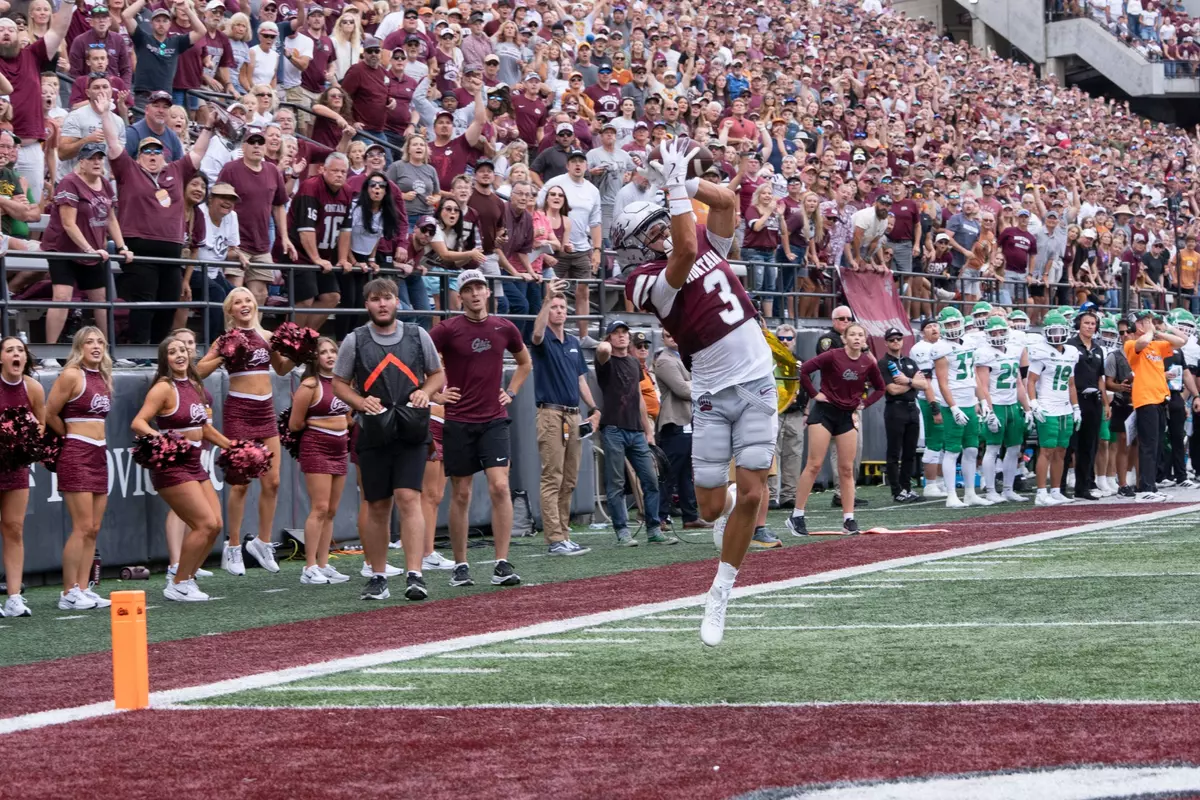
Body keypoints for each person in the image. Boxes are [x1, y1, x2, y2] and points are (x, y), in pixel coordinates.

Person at [617, 139, 777, 648]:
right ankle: (726, 503)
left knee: (755, 490)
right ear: (638, 247)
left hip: (755, 380)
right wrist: (670, 186)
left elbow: (728, 202)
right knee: (710, 508)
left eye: (664, 221)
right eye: (653, 230)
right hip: (709, 391)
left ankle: (721, 590)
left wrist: (683, 181)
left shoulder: (704, 240)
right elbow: (684, 248)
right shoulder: (643, 282)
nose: (664, 231)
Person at [333, 277, 445, 602]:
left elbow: (437, 373)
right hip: (374, 431)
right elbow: (338, 382)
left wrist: (425, 392)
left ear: (398, 302)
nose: (382, 304)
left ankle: (415, 575)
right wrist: (358, 402)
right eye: (375, 299)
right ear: (367, 305)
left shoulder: (417, 334)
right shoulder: (354, 340)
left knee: (409, 497)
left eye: (388, 298)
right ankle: (378, 575)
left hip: (411, 430)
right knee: (378, 504)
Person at [429, 269, 531, 589]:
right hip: (458, 420)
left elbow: (525, 362)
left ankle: (501, 563)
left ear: (488, 293)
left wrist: (511, 392)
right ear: (459, 296)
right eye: (468, 289)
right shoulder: (446, 330)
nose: (475, 294)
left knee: (500, 486)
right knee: (461, 493)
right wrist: (435, 395)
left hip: (494, 419)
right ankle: (461, 565)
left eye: (480, 288)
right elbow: (419, 363)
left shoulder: (505, 327)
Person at [101, 93, 213, 347]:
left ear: (165, 155)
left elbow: (197, 152)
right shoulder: (129, 170)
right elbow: (113, 143)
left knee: (170, 301)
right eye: (146, 151)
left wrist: (207, 127)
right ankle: (139, 351)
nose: (152, 155)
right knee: (145, 301)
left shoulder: (175, 170)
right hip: (140, 247)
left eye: (157, 151)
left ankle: (160, 350)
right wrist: (106, 113)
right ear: (139, 155)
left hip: (172, 251)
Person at [196, 288, 294, 575]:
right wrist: (224, 355)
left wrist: (300, 354)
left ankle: (263, 542)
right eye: (238, 301)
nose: (244, 304)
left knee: (273, 481)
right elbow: (199, 371)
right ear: (230, 310)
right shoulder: (225, 338)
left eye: (248, 300)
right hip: (240, 410)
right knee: (240, 483)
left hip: (265, 410)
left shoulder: (267, 336)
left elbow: (283, 368)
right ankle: (234, 545)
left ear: (256, 305)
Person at [132, 334, 233, 602]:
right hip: (172, 465)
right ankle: (177, 581)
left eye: (183, 350)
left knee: (216, 525)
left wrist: (231, 445)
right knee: (204, 523)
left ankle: (187, 578)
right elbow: (139, 422)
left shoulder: (195, 386)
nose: (180, 355)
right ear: (165, 359)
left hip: (195, 462)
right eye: (172, 352)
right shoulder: (163, 388)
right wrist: (161, 439)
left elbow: (204, 427)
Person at [791, 322, 886, 532]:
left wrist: (864, 404)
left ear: (864, 340)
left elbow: (880, 388)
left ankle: (849, 519)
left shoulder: (867, 362)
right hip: (824, 413)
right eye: (852, 334)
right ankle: (797, 515)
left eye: (861, 335)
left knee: (846, 469)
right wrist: (815, 395)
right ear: (844, 338)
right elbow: (804, 371)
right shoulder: (832, 355)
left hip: (847, 416)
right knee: (814, 464)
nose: (857, 338)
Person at [43, 328, 113, 611]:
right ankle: (68, 591)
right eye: (89, 342)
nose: (95, 346)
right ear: (79, 347)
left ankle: (83, 589)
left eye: (100, 342)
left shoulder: (105, 377)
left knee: (94, 528)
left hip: (99, 453)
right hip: (77, 453)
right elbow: (48, 413)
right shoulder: (72, 374)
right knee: (82, 526)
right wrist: (69, 435)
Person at [529, 278, 599, 555]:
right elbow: (535, 334)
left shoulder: (572, 342)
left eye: (561, 307)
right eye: (554, 307)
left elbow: (581, 380)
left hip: (573, 416)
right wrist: (545, 300)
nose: (558, 311)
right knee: (552, 476)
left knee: (569, 479)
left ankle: (564, 535)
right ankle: (554, 538)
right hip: (550, 413)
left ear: (567, 312)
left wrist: (594, 408)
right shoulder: (542, 339)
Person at [39, 139, 132, 346]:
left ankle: (109, 350)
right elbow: (68, 223)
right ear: (81, 162)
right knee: (62, 296)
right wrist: (89, 249)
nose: (97, 162)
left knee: (101, 300)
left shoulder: (106, 184)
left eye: (100, 158)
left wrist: (122, 246)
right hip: (63, 250)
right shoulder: (69, 182)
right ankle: (50, 352)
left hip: (93, 252)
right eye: (92, 158)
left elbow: (110, 218)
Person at [595, 319, 672, 547]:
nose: (621, 336)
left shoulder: (633, 363)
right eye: (616, 333)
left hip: (636, 430)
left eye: (624, 333)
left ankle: (653, 528)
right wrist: (606, 342)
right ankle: (622, 531)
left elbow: (638, 397)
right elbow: (601, 350)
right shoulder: (605, 360)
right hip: (613, 429)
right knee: (616, 484)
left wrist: (648, 431)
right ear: (609, 337)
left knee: (651, 480)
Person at [288, 337, 353, 585]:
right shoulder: (309, 385)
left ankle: (324, 564)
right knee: (320, 508)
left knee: (332, 510)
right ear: (314, 358)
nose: (329, 356)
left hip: (340, 449)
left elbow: (348, 419)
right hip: (316, 448)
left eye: (332, 351)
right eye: (323, 352)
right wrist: (320, 425)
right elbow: (295, 424)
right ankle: (309, 566)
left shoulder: (343, 384)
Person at [216, 125, 295, 308]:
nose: (257, 146)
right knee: (235, 294)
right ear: (243, 146)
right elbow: (217, 201)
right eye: (252, 142)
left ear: (266, 147)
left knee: (260, 295)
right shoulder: (230, 169)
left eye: (261, 142)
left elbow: (279, 205)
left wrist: (284, 237)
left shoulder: (273, 170)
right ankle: (231, 335)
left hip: (261, 244)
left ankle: (253, 336)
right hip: (236, 243)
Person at [537, 149, 603, 345]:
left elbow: (596, 222)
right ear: (567, 165)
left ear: (586, 165)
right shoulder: (555, 183)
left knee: (584, 291)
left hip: (582, 247)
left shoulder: (593, 190)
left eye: (581, 161)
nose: (577, 165)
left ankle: (583, 336)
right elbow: (538, 209)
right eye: (573, 161)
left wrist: (597, 250)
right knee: (554, 291)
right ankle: (553, 334)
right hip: (557, 247)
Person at [0, 336, 44, 618]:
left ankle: (14, 597)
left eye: (20, 350)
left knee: (14, 528)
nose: (16, 354)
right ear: (1, 358)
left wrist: (28, 436)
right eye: (9, 350)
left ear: (26, 358)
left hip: (16, 467)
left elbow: (41, 423)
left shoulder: (34, 388)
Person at [932, 307, 992, 509]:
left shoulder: (970, 342)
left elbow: (973, 374)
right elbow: (942, 383)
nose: (953, 327)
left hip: (969, 402)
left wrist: (982, 400)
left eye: (955, 323)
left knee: (972, 450)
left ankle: (969, 493)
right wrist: (954, 407)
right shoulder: (941, 348)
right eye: (948, 324)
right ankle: (951, 495)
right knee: (951, 451)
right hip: (954, 404)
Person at [1124, 310, 1187, 501]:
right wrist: (1151, 331)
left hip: (1160, 399)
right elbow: (1141, 343)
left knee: (1157, 444)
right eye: (1144, 321)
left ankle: (1151, 485)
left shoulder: (1156, 345)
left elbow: (1182, 340)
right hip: (1146, 399)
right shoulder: (1131, 344)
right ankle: (1145, 489)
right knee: (1148, 445)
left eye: (1150, 321)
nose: (1149, 323)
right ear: (1136, 326)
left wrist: (1163, 329)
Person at [289, 152, 353, 330]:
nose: (339, 175)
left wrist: (342, 258)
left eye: (343, 171)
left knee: (332, 297)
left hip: (324, 255)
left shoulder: (347, 191)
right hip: (299, 252)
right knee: (305, 300)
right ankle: (289, 344)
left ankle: (305, 339)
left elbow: (345, 230)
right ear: (323, 170)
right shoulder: (310, 187)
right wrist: (316, 258)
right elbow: (305, 230)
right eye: (335, 171)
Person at [974, 315, 1032, 503]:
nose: (998, 335)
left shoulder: (1014, 350)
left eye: (1001, 331)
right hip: (996, 405)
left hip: (1012, 404)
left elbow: (1018, 383)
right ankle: (991, 489)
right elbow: (983, 386)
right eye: (994, 332)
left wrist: (1028, 408)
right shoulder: (984, 353)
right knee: (992, 448)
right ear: (987, 334)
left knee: (1014, 449)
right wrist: (989, 411)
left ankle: (1008, 489)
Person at [654, 328, 708, 530]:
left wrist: (693, 383)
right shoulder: (666, 360)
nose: (673, 337)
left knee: (685, 472)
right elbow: (682, 390)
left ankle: (690, 515)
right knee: (670, 471)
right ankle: (660, 516)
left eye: (674, 333)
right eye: (668, 335)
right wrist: (702, 384)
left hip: (686, 419)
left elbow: (688, 386)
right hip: (674, 421)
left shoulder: (681, 357)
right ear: (663, 338)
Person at [1027, 311, 1081, 507]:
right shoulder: (1040, 351)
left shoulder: (1071, 352)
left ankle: (1056, 490)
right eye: (1053, 331)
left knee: (1061, 451)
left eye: (1061, 331)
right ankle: (1041, 492)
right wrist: (1034, 403)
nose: (1057, 335)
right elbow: (1031, 381)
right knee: (1047, 450)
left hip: (1065, 407)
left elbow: (1071, 384)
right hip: (1047, 406)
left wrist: (1076, 407)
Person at [813, 305, 865, 507]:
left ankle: (848, 490)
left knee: (855, 450)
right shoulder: (828, 341)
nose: (845, 321)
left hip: (852, 400)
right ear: (833, 321)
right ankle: (840, 493)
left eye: (848, 318)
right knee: (838, 452)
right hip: (834, 402)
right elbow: (835, 364)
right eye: (841, 319)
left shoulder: (859, 343)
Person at [1066, 307, 1109, 500]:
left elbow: (1101, 378)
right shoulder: (1070, 346)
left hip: (1094, 400)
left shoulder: (1099, 349)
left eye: (1093, 324)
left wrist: (1106, 403)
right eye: (1086, 323)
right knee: (1069, 444)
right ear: (1078, 325)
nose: (1090, 327)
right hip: (1074, 399)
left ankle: (1083, 487)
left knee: (1089, 445)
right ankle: (1058, 488)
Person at [881, 326, 924, 503]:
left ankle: (906, 487)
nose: (895, 342)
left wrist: (907, 381)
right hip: (895, 408)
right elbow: (892, 389)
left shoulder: (910, 362)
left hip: (912, 407)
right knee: (894, 452)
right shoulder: (883, 363)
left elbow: (925, 385)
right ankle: (896, 490)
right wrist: (913, 383)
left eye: (898, 339)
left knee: (910, 452)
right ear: (886, 342)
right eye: (891, 339)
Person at [908, 317, 946, 498]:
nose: (933, 329)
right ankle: (930, 483)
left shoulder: (944, 345)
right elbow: (926, 381)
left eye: (935, 325)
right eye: (929, 326)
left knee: (944, 442)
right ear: (923, 331)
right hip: (929, 399)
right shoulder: (920, 349)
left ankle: (939, 481)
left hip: (945, 398)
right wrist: (934, 405)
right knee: (934, 441)